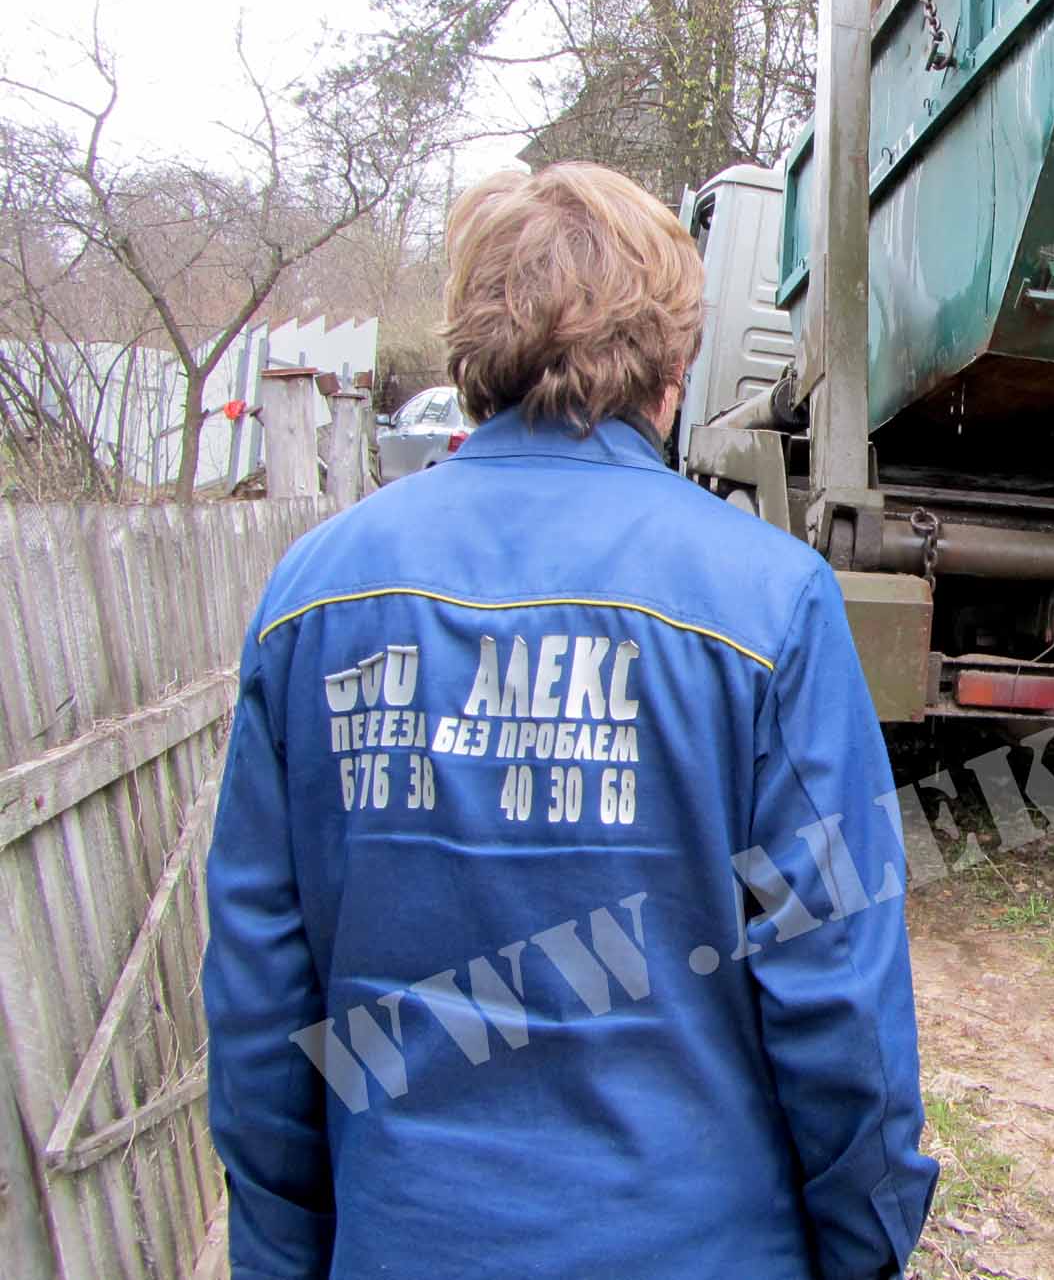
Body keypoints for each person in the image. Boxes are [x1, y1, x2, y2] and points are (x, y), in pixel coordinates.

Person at [203, 162, 937, 1279]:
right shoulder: (767, 602)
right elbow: (837, 999)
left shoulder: (314, 598)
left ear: (471, 345)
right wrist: (866, 1248)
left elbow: (260, 999)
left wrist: (279, 1255)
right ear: (672, 363)